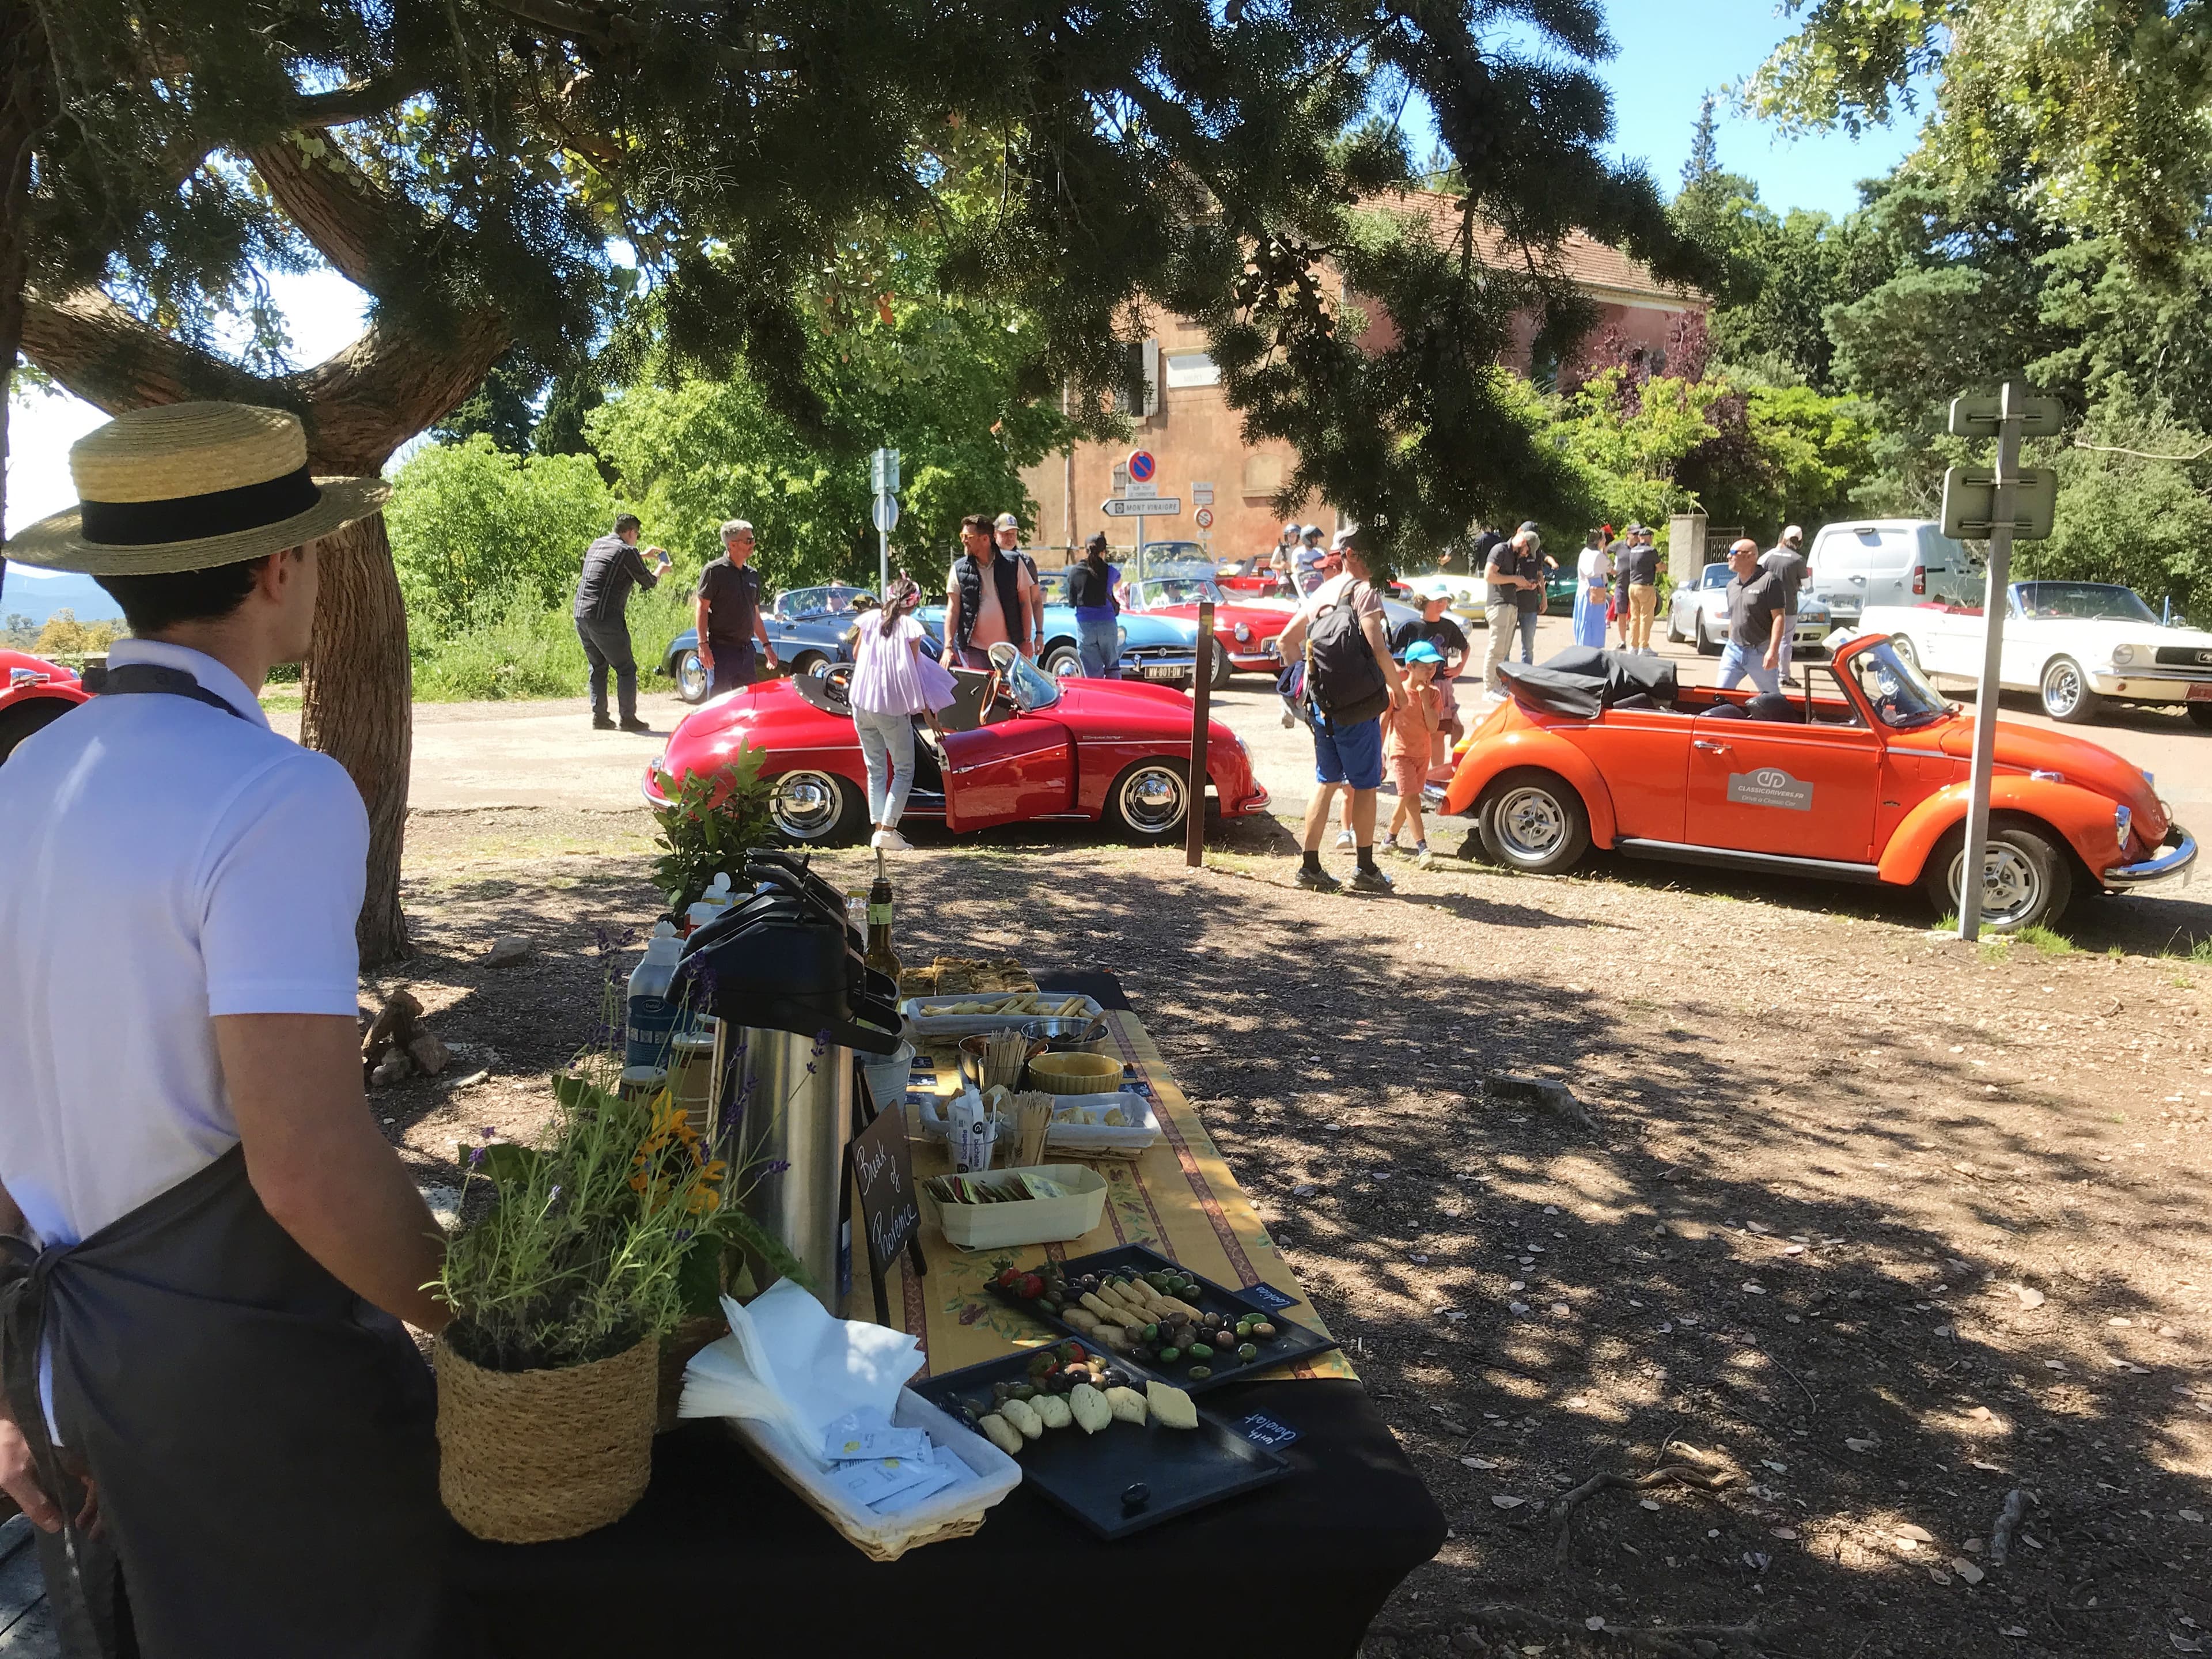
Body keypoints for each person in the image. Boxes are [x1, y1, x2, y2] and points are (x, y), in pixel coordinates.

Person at [0, 403, 451, 1656]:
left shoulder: (21, 775)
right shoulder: (276, 791)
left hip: (65, 1365)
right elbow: (304, 1167)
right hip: (238, 1382)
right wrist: (486, 1324)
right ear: (276, 567)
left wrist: (12, 1388)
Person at [1271, 526, 1406, 893]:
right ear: (1353, 555)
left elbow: (1286, 641)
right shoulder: (1364, 592)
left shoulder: (1322, 593)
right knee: (1365, 786)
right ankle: (1364, 869)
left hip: (1323, 709)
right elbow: (1378, 648)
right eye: (1370, 553)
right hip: (1358, 708)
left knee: (1326, 781)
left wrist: (1308, 683)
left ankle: (1309, 867)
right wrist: (1399, 691)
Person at [849, 574, 958, 851]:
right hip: (890, 705)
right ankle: (888, 830)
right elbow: (916, 673)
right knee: (904, 769)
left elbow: (857, 654)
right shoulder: (911, 627)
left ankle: (879, 830)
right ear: (914, 603)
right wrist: (929, 713)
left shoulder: (870, 619)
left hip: (861, 701)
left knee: (875, 767)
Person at [574, 510, 672, 731]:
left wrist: (642, 555)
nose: (636, 539)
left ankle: (600, 718)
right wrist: (661, 569)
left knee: (598, 665)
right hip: (605, 618)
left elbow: (614, 563)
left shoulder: (598, 544)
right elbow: (648, 582)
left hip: (581, 615)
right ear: (631, 532)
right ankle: (628, 719)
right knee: (626, 667)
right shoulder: (627, 551)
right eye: (636, 535)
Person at [942, 512, 1038, 670]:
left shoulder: (1013, 564)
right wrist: (948, 647)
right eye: (962, 536)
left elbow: (1025, 603)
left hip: (1008, 649)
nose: (964, 541)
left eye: (969, 537)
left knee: (1007, 694)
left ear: (986, 539)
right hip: (974, 650)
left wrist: (1027, 640)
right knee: (981, 693)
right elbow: (953, 610)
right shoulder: (959, 569)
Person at [695, 518, 779, 697]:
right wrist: (703, 645)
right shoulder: (714, 572)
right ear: (732, 545)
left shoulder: (753, 575)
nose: (753, 544)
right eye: (748, 540)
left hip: (747, 652)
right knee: (719, 707)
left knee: (748, 704)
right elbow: (702, 609)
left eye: (753, 539)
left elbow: (755, 614)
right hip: (722, 652)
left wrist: (767, 645)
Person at [1382, 639, 1444, 867]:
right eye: (1425, 667)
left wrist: (1426, 698)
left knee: (1406, 798)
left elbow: (1433, 727)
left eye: (1434, 666)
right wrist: (1379, 754)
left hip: (1422, 754)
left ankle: (1389, 839)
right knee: (1413, 799)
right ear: (1410, 667)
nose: (1431, 671)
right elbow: (1383, 723)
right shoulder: (1396, 693)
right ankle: (1423, 848)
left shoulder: (1435, 694)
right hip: (1401, 753)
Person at [1718, 537, 1786, 695]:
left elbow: (1779, 617)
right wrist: (1731, 639)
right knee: (1719, 695)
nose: (1729, 556)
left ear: (1750, 556)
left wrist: (1773, 651)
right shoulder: (1731, 585)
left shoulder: (1769, 580)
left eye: (1733, 553)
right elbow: (1734, 617)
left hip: (1760, 651)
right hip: (1733, 650)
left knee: (1771, 700)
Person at [1480, 522, 1541, 697]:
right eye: (1528, 551)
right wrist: (1516, 578)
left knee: (1503, 650)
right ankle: (1489, 688)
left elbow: (1508, 583)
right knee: (1496, 649)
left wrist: (1524, 585)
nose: (1527, 555)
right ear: (1524, 542)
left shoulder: (1515, 557)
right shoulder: (1500, 549)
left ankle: (1498, 687)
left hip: (1511, 605)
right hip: (1498, 605)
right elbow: (1489, 576)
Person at [1068, 532, 1123, 677]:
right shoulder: (1110, 571)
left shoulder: (1074, 572)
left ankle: (1097, 698)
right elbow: (1119, 582)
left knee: (1092, 673)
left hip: (1085, 625)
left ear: (1085, 551)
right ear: (1104, 552)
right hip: (1107, 623)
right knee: (1112, 666)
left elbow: (1072, 600)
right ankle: (1115, 698)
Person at [1760, 524, 1808, 684]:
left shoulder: (1768, 557)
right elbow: (1807, 586)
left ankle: (1765, 673)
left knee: (1767, 640)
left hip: (1767, 606)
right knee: (1786, 642)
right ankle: (1783, 677)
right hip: (1789, 607)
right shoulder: (1798, 560)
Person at [994, 512, 1046, 649]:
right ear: (995, 534)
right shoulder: (986, 561)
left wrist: (1039, 634)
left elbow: (1035, 600)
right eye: (1005, 534)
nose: (1010, 538)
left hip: (1018, 635)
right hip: (992, 634)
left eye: (1013, 534)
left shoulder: (1026, 562)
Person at [1615, 524, 1661, 656]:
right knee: (1646, 617)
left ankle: (1633, 646)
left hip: (1632, 587)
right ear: (1650, 537)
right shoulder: (1651, 551)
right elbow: (1659, 566)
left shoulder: (1633, 551)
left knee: (1634, 618)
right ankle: (1644, 647)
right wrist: (1662, 567)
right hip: (1645, 587)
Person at [1573, 529, 1612, 650]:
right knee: (1594, 619)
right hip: (1595, 587)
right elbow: (1609, 567)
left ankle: (1582, 644)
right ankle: (1592, 646)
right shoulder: (1598, 555)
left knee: (1582, 617)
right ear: (1599, 541)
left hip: (1583, 587)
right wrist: (1605, 551)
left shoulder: (1584, 552)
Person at [1293, 524, 1330, 594]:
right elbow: (1294, 567)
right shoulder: (1298, 552)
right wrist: (1297, 574)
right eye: (1314, 537)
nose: (1317, 540)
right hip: (1303, 587)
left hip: (1319, 584)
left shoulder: (1320, 553)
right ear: (1307, 538)